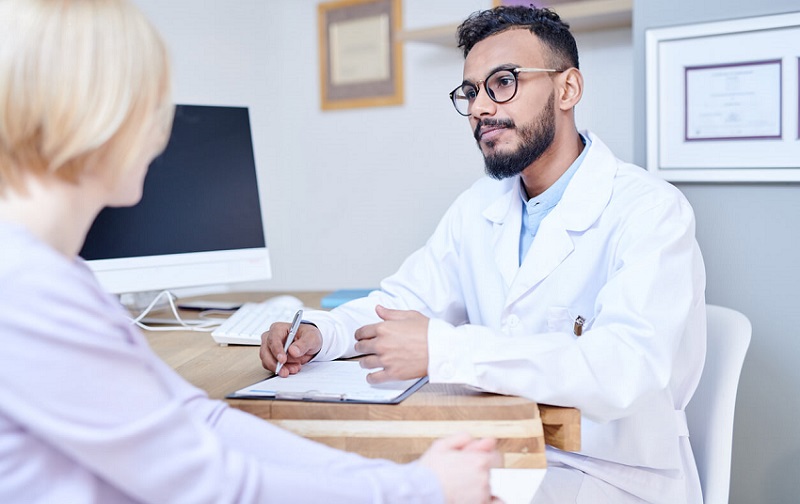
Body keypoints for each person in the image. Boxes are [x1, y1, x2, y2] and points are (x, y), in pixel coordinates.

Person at [0, 1, 502, 503]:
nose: (160, 133)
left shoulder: (56, 274)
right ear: (91, 114)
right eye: (149, 105)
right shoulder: (26, 288)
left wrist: (393, 477)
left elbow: (202, 419)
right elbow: (211, 486)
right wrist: (418, 489)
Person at [260, 5, 706, 504]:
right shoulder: (480, 206)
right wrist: (323, 334)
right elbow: (402, 301)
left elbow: (625, 368)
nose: (478, 107)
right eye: (471, 91)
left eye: (503, 82)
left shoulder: (650, 210)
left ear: (568, 89)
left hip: (613, 476)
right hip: (502, 456)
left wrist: (446, 350)